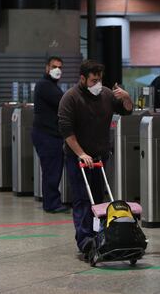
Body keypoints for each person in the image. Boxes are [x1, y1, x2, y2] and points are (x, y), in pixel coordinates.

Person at [58, 60, 133, 257]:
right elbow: (66, 131)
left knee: (99, 200)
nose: (97, 84)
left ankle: (99, 236)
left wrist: (127, 97)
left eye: (100, 79)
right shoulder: (70, 98)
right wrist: (81, 153)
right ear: (82, 79)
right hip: (78, 158)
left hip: (100, 156)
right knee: (83, 199)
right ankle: (84, 240)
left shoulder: (107, 94)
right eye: (93, 80)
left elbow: (127, 110)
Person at [32, 56, 69, 213]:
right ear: (47, 68)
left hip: (49, 135)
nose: (57, 70)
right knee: (52, 170)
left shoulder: (51, 85)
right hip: (47, 135)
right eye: (54, 66)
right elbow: (63, 103)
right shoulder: (45, 85)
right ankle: (52, 204)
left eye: (60, 67)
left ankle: (52, 201)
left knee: (52, 169)